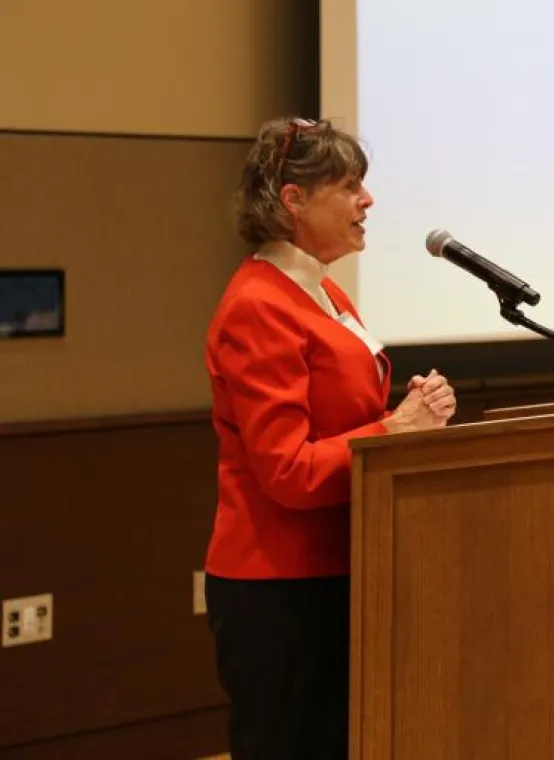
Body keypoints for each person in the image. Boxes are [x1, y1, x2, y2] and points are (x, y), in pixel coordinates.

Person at [201, 116, 455, 759]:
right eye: (349, 187)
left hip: (338, 570)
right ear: (293, 200)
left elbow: (341, 423)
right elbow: (286, 469)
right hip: (280, 587)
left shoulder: (321, 290)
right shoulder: (258, 305)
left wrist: (411, 412)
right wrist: (393, 430)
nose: (367, 201)